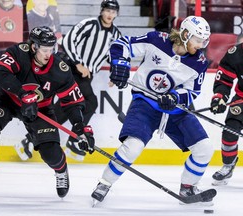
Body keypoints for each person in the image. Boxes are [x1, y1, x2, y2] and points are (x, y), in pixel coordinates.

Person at [0, 26, 94, 201]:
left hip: (41, 109)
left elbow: (73, 102)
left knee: (51, 153)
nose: (49, 54)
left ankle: (61, 170)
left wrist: (79, 127)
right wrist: (22, 93)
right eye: (44, 50)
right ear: (33, 47)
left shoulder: (60, 70)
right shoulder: (18, 52)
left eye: (51, 49)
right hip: (7, 99)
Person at [91, 16, 215, 204]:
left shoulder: (199, 62)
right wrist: (120, 64)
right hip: (145, 104)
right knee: (133, 146)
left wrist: (175, 97)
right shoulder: (157, 40)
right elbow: (121, 43)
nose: (201, 45)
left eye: (204, 41)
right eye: (198, 40)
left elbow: (193, 91)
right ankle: (104, 183)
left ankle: (188, 188)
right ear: (185, 34)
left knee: (204, 148)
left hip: (174, 110)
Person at [18, 0, 121, 162]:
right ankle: (74, 139)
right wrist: (78, 63)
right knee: (90, 101)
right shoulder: (89, 24)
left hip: (86, 74)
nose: (110, 15)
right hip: (71, 67)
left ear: (116, 14)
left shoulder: (116, 34)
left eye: (113, 12)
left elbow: (113, 55)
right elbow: (68, 41)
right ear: (102, 11)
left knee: (66, 107)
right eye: (107, 11)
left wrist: (115, 72)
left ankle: (31, 137)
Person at [209, 42, 243, 186]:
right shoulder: (236, 53)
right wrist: (220, 97)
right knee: (230, 131)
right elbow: (224, 79)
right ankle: (228, 165)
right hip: (242, 99)